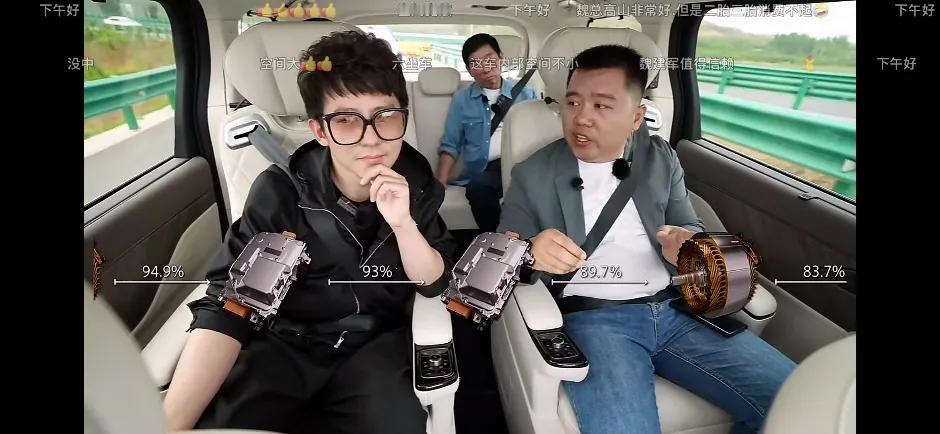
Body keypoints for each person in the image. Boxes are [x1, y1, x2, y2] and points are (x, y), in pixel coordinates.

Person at [162, 30, 456, 434]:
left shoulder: (418, 185)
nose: (371, 138)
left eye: (386, 116)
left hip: (375, 348)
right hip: (284, 345)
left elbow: (434, 283)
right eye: (346, 121)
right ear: (320, 131)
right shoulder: (279, 192)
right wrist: (168, 424)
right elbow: (230, 306)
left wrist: (403, 224)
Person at [497, 44, 795, 434]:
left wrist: (687, 246)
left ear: (636, 117)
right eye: (572, 102)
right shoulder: (532, 173)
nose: (581, 117)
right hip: (597, 320)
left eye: (602, 105)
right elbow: (500, 255)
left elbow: (689, 225)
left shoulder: (660, 158)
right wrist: (531, 252)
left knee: (801, 399)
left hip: (678, 310)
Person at [436, 33, 539, 232]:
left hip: (522, 165)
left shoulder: (527, 94)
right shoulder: (462, 100)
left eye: (490, 59)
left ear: (501, 58)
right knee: (478, 187)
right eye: (476, 63)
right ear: (469, 70)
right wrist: (439, 183)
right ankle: (499, 241)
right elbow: (451, 144)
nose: (486, 68)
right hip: (486, 171)